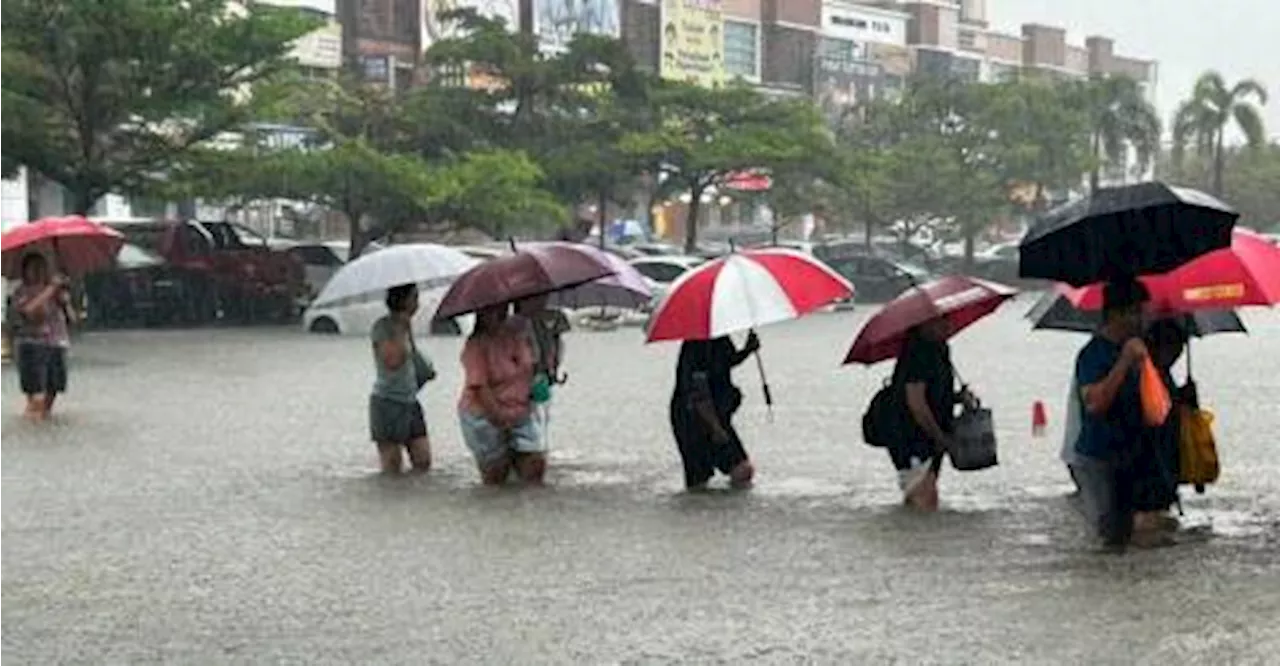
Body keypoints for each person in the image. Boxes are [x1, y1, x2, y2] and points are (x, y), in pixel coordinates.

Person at [1073, 279, 1151, 551]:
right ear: (1117, 314)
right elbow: (1095, 404)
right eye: (1136, 312)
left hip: (1129, 454)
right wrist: (1124, 362)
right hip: (1097, 457)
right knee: (1108, 535)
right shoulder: (1092, 354)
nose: (1142, 319)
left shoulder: (1139, 349)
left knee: (1128, 534)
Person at [891, 317, 974, 511]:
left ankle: (915, 536)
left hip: (934, 431)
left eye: (948, 318)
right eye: (941, 320)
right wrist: (939, 437)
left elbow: (937, 394)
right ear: (924, 324)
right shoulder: (916, 352)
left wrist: (959, 398)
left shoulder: (941, 349)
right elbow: (916, 403)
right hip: (909, 435)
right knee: (926, 498)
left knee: (922, 496)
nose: (948, 325)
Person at [458, 304, 544, 485]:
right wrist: (498, 417)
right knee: (496, 477)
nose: (500, 314)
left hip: (521, 410)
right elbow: (479, 386)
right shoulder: (476, 344)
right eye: (493, 310)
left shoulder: (516, 335)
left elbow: (531, 365)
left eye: (503, 308)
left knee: (535, 467)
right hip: (484, 414)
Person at [669, 333, 758, 491]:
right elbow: (698, 393)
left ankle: (725, 510)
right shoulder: (696, 346)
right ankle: (699, 511)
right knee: (699, 479)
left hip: (715, 413)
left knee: (743, 471)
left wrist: (747, 350)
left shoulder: (721, 338)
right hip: (691, 417)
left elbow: (727, 361)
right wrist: (715, 428)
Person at [369, 283, 435, 475]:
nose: (418, 303)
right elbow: (393, 361)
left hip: (410, 401)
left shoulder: (407, 326)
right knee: (392, 468)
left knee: (423, 462)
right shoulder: (383, 326)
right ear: (404, 300)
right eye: (415, 297)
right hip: (387, 403)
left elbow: (410, 360)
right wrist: (400, 330)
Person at [1131, 318, 1189, 534]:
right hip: (1151, 463)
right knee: (1151, 521)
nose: (1177, 355)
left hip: (1163, 460)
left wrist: (1183, 398)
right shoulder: (1149, 374)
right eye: (1174, 349)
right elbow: (1156, 414)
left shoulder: (1161, 373)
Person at [10, 254, 72, 421]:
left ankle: (43, 422)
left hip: (56, 342)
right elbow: (29, 312)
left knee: (53, 391)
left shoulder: (54, 290)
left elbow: (72, 320)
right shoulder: (21, 291)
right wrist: (50, 289)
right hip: (32, 345)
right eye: (33, 268)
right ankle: (31, 423)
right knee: (36, 395)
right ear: (25, 271)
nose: (38, 272)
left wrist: (65, 303)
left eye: (41, 267)